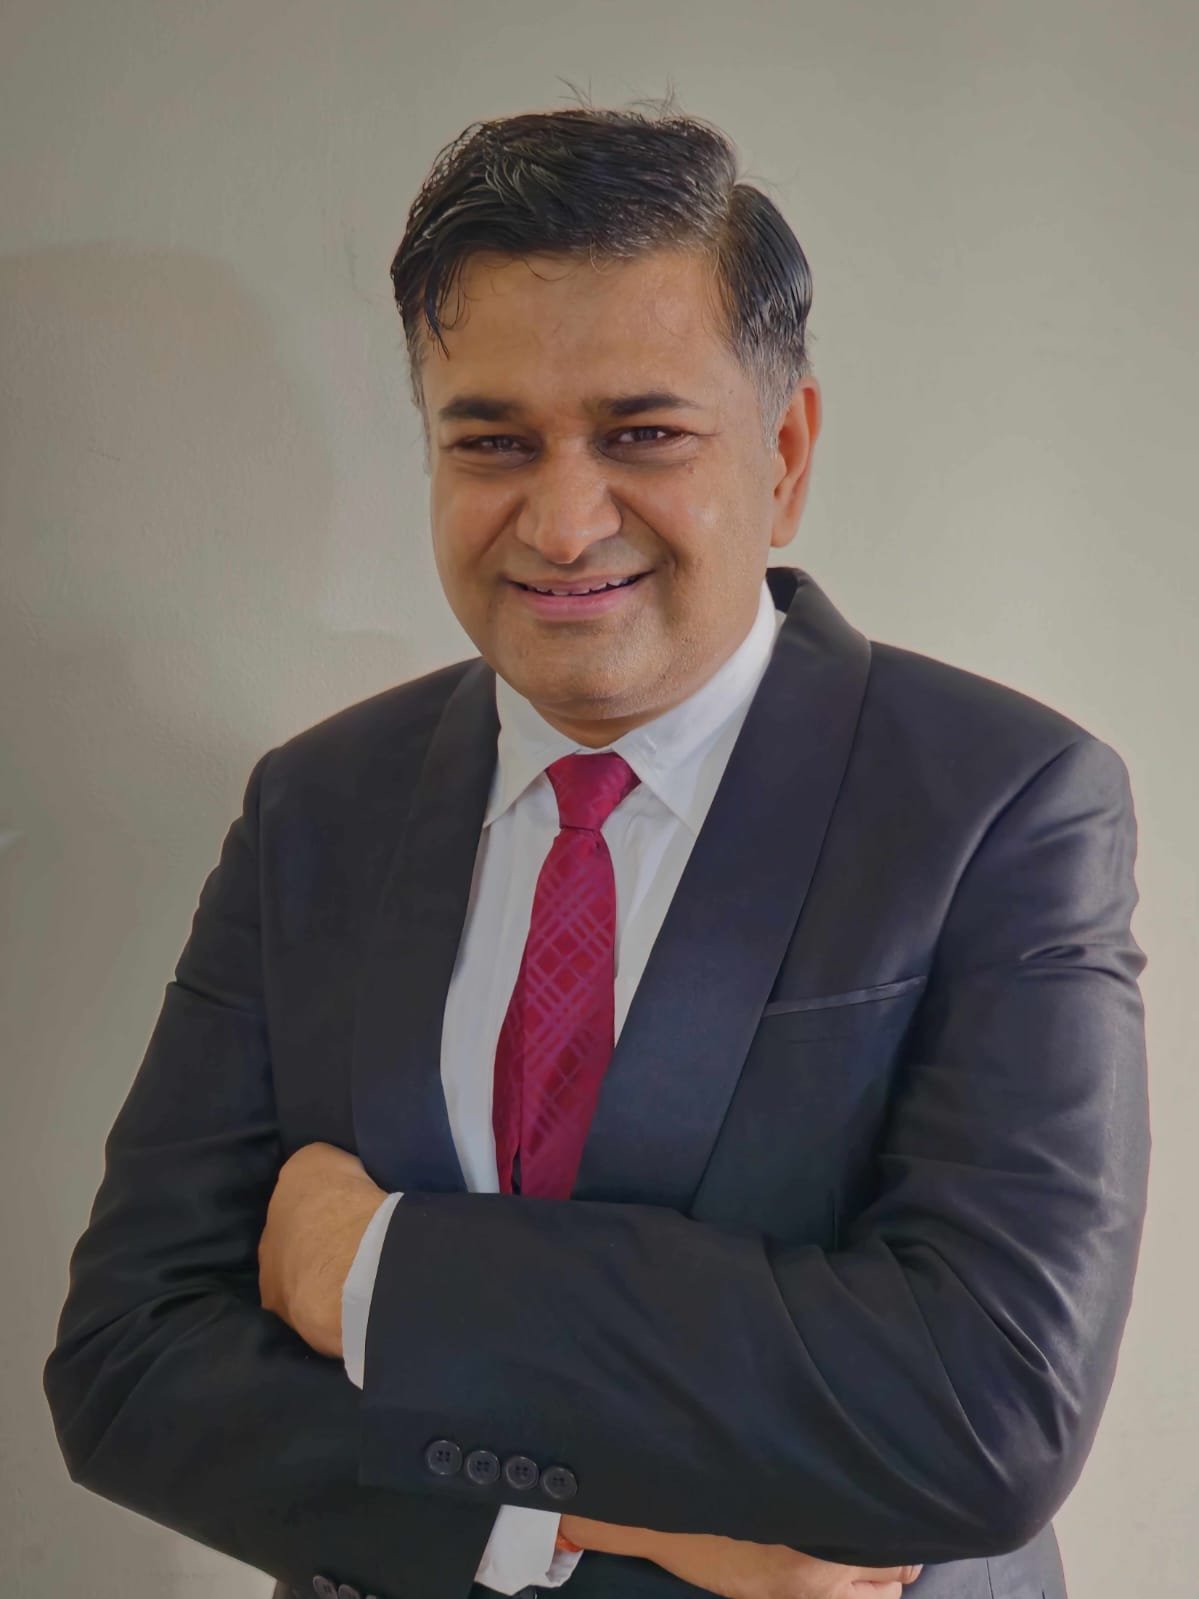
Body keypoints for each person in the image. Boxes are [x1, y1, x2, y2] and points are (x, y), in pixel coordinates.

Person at [43, 91, 1149, 1599]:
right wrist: (575, 1526)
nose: (563, 523)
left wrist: (380, 1272)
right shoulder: (317, 805)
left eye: (642, 434)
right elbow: (128, 1369)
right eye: (494, 441)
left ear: (785, 452)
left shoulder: (1003, 803)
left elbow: (984, 1417)